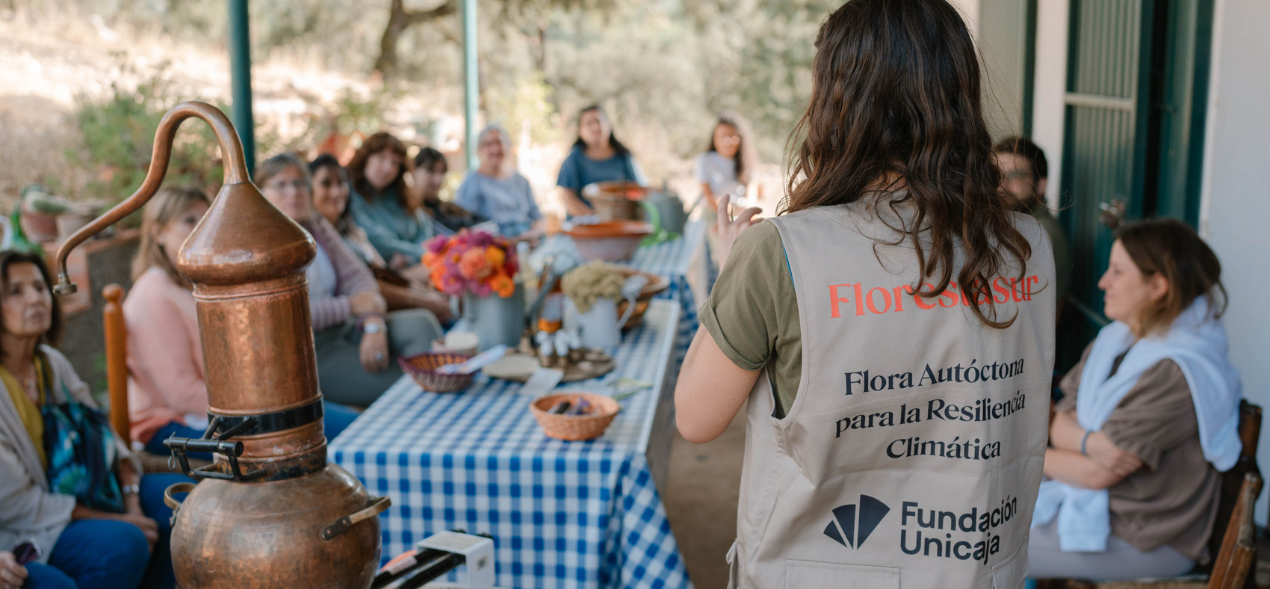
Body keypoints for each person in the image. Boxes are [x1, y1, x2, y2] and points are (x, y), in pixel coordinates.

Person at [673, 1, 1056, 587]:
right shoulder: (1025, 243)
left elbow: (696, 418)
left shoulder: (781, 252)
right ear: (960, 91)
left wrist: (732, 270)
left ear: (836, 100)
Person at [1029, 219, 1240, 581]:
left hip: (1144, 538)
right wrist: (1092, 443)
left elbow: (1097, 473)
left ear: (1157, 285)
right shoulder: (1114, 342)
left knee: (971, 546)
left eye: (1117, 272)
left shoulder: (1179, 371)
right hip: (1093, 511)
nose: (1102, 283)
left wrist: (1024, 457)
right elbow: (1053, 420)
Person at [0, 250, 189, 589]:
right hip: (33, 525)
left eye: (40, 287)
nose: (36, 298)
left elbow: (104, 435)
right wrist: (120, 520)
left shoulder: (51, 363)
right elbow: (19, 505)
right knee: (123, 542)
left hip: (94, 493)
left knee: (181, 504)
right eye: (15, 291)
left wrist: (132, 500)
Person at [257, 154, 441, 407]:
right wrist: (352, 306)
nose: (294, 192)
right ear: (261, 193)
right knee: (411, 383)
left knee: (421, 324)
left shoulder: (314, 223)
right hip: (306, 354)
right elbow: (282, 316)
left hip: (346, 329)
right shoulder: (257, 245)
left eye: (300, 183)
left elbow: (358, 276)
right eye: (281, 185)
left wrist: (373, 322)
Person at [309, 155, 453, 319]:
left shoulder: (352, 230)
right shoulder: (315, 240)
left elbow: (385, 271)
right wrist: (419, 300)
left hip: (387, 293)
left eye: (341, 183)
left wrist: (422, 292)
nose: (336, 192)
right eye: (326, 184)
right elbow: (366, 284)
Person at [995, 136, 1071, 304]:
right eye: (995, 174)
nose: (1001, 186)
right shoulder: (1012, 224)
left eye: (1015, 175)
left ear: (1040, 185)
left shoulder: (1039, 234)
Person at [347, 132, 435, 268]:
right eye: (381, 158)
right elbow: (377, 240)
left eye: (395, 163)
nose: (387, 168)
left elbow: (424, 226)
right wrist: (422, 253)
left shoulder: (400, 194)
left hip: (417, 265)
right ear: (365, 158)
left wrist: (411, 258)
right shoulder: (350, 195)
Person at [454, 124, 544, 242]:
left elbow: (537, 217)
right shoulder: (472, 181)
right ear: (480, 150)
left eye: (499, 142)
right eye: (489, 144)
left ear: (507, 147)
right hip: (494, 247)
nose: (495, 149)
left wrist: (534, 234)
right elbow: (463, 225)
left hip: (528, 242)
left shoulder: (521, 180)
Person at [555, 105, 644, 217]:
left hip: (619, 221)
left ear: (609, 125)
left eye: (599, 121)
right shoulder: (574, 159)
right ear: (580, 131)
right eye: (589, 123)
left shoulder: (624, 156)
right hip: (585, 223)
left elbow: (638, 190)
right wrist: (593, 217)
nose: (595, 127)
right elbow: (568, 198)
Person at [694, 113, 759, 215]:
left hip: (742, 216)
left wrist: (742, 217)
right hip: (715, 214)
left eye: (731, 136)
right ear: (714, 139)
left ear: (740, 138)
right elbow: (710, 197)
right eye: (722, 136)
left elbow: (751, 199)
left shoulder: (747, 164)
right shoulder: (705, 160)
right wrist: (728, 216)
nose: (727, 141)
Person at [411, 147, 484, 233]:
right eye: (430, 171)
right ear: (413, 171)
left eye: (441, 172)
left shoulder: (448, 208)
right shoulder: (408, 210)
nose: (437, 180)